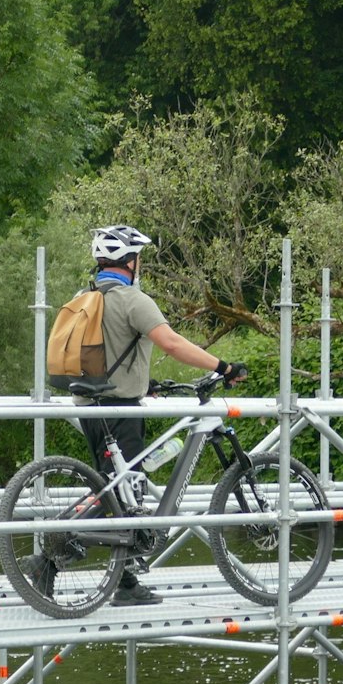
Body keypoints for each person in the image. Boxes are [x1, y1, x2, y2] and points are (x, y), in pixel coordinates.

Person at [61, 224, 246, 606]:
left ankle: (126, 582)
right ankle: (54, 554)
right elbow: (172, 342)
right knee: (122, 493)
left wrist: (145, 383)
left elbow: (104, 353)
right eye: (138, 257)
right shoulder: (132, 299)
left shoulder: (86, 297)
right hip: (120, 411)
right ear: (130, 260)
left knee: (120, 491)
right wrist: (224, 366)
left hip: (91, 407)